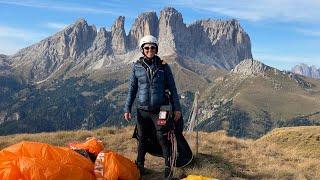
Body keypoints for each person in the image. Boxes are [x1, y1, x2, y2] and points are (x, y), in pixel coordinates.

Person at [123, 35, 182, 179]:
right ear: (142, 50)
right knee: (142, 138)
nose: (150, 50)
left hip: (160, 110)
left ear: (156, 49)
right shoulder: (136, 67)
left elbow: (173, 89)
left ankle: (168, 168)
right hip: (142, 110)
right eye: (147, 48)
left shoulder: (163, 66)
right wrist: (127, 108)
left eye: (152, 47)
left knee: (162, 137)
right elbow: (132, 89)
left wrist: (177, 108)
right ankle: (140, 166)